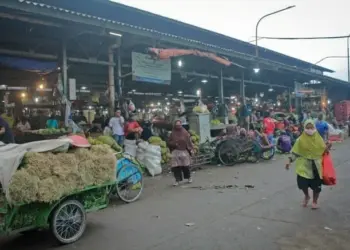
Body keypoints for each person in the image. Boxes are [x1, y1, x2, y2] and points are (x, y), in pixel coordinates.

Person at [285, 119, 329, 209]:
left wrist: (328, 147)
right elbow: (295, 153)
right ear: (304, 128)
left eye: (311, 127)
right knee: (302, 184)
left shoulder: (319, 139)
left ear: (314, 128)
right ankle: (307, 196)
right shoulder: (300, 140)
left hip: (316, 166)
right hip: (303, 166)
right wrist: (289, 161)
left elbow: (324, 151)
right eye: (308, 128)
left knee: (316, 186)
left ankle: (315, 201)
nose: (310, 130)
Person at [168, 120, 194, 186]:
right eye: (177, 125)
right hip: (175, 152)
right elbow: (169, 142)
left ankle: (189, 177)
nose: (178, 126)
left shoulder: (185, 132)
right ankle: (177, 180)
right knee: (176, 167)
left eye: (179, 125)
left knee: (186, 166)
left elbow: (189, 142)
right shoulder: (172, 133)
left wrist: (190, 149)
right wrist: (174, 144)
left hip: (184, 151)